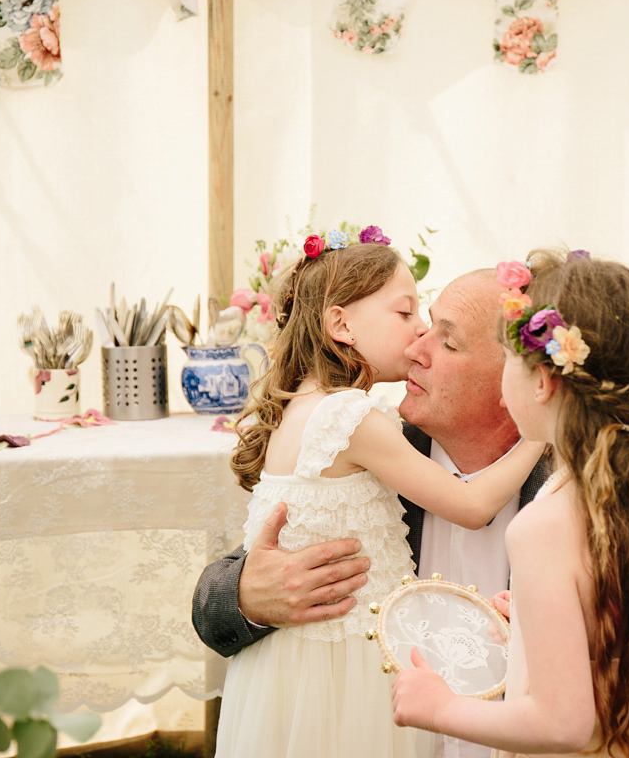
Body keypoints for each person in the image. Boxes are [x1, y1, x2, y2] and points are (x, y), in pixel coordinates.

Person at [206, 232, 545, 758]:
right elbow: (217, 598)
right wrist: (251, 596)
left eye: (445, 340)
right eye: (410, 318)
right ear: (341, 324)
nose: (417, 346)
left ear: (517, 376)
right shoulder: (366, 431)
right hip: (348, 696)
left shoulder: (573, 481)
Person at [391, 250, 629, 758]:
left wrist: (440, 707)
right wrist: (530, 635)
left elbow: (564, 725)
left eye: (509, 360)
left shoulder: (545, 523)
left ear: (544, 382)